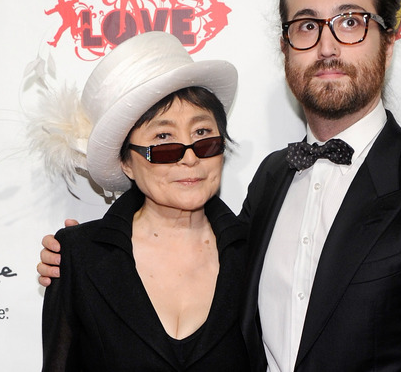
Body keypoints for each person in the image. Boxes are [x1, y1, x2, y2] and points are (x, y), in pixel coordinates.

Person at [40, 0, 401, 371]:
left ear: (388, 44)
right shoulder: (273, 178)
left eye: (351, 22)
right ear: (286, 47)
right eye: (307, 25)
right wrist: (95, 253)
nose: (328, 45)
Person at [38, 31, 249, 370]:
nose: (190, 157)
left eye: (203, 135)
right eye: (164, 140)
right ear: (126, 163)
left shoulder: (256, 252)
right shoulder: (78, 257)